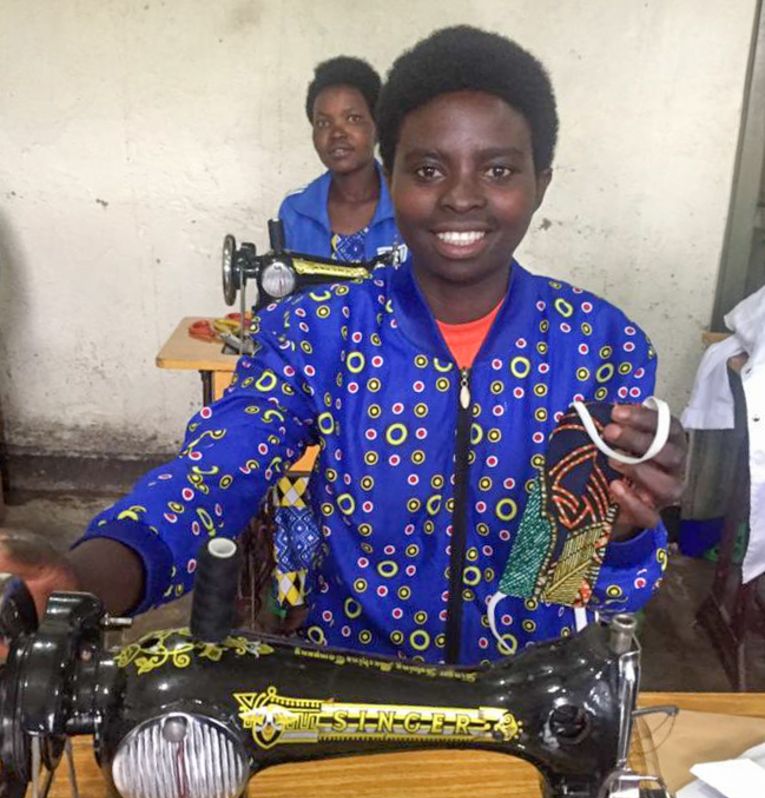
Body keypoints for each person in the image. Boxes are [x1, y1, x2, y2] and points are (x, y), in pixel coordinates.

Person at [0, 26, 686, 666]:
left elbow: (566, 582)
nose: (460, 197)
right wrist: (81, 579)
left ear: (542, 182)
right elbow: (214, 477)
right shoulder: (316, 332)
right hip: (351, 681)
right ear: (392, 181)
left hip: (526, 689)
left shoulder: (596, 345)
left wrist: (624, 534)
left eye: (499, 170)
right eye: (427, 170)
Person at [278, 55, 400, 261]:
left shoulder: (407, 202)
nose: (337, 133)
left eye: (353, 119)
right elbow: (281, 286)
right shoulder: (296, 210)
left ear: (377, 126)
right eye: (323, 123)